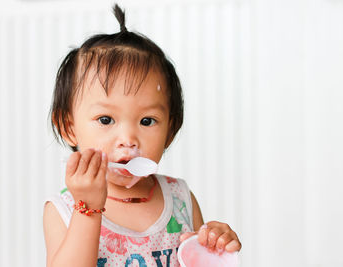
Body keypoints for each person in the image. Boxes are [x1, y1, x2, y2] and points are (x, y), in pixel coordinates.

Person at [43, 4, 241, 267]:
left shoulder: (180, 198)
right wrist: (88, 210)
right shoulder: (65, 209)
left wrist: (213, 251)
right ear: (69, 128)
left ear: (170, 131)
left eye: (147, 121)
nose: (128, 139)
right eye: (106, 120)